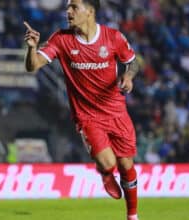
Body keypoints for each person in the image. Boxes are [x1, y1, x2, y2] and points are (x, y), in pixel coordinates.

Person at [23, 0, 139, 219]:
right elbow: (33, 65)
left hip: (116, 111)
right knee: (108, 162)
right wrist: (32, 49)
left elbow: (133, 62)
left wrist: (129, 76)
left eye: (74, 7)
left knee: (126, 164)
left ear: (90, 11)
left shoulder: (113, 37)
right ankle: (105, 173)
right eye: (68, 7)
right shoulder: (61, 39)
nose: (68, 11)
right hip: (88, 116)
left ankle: (132, 215)